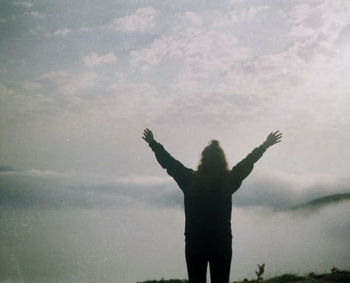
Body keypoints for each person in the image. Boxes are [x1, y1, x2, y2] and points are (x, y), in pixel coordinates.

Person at [142, 129, 282, 283]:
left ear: (203, 160)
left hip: (195, 243)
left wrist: (153, 143)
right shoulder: (228, 181)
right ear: (222, 161)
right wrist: (265, 145)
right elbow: (247, 162)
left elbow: (169, 162)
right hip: (221, 242)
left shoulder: (190, 180)